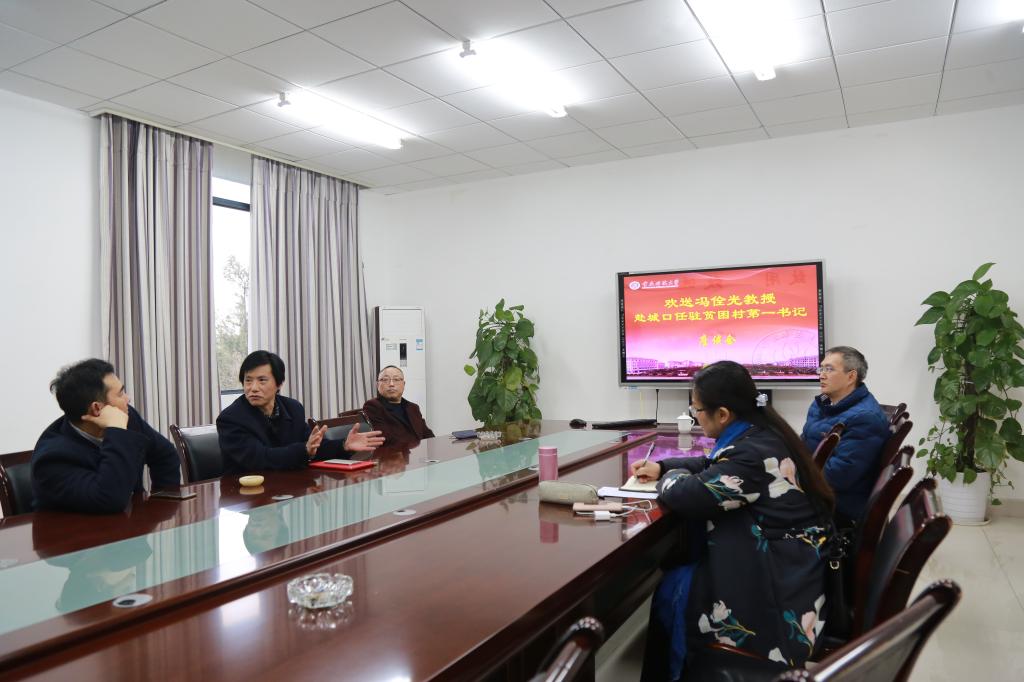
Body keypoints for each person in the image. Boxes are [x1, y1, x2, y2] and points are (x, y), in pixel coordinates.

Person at [631, 361, 835, 680]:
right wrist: (665, 465)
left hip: (776, 587)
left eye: (697, 409)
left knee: (674, 585)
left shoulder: (753, 453)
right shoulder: (760, 434)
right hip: (786, 561)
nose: (695, 415)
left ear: (723, 414)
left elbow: (689, 495)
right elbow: (714, 465)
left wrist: (668, 478)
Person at [31, 359, 181, 514]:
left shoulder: (127, 418)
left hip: (127, 523)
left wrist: (159, 508)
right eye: (121, 394)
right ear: (97, 408)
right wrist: (116, 430)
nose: (127, 399)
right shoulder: (52, 460)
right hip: (78, 528)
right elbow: (110, 499)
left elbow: (165, 455)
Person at [217, 350, 384, 473]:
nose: (253, 388)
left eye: (262, 380)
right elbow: (260, 459)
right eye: (248, 381)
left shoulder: (292, 408)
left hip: (288, 489)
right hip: (246, 497)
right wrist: (304, 450)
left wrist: (344, 445)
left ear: (279, 384)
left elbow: (313, 447)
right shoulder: (230, 418)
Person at [801, 346, 890, 524]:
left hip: (837, 505)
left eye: (829, 369)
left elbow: (838, 476)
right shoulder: (823, 404)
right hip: (816, 487)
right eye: (821, 368)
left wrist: (796, 474)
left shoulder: (865, 418)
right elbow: (804, 442)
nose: (822, 375)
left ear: (851, 376)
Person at [361, 366, 434, 448]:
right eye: (385, 380)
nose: (391, 384)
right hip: (393, 455)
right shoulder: (372, 406)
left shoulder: (413, 407)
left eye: (396, 379)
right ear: (378, 385)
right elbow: (387, 440)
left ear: (403, 384)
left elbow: (427, 434)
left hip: (419, 453)